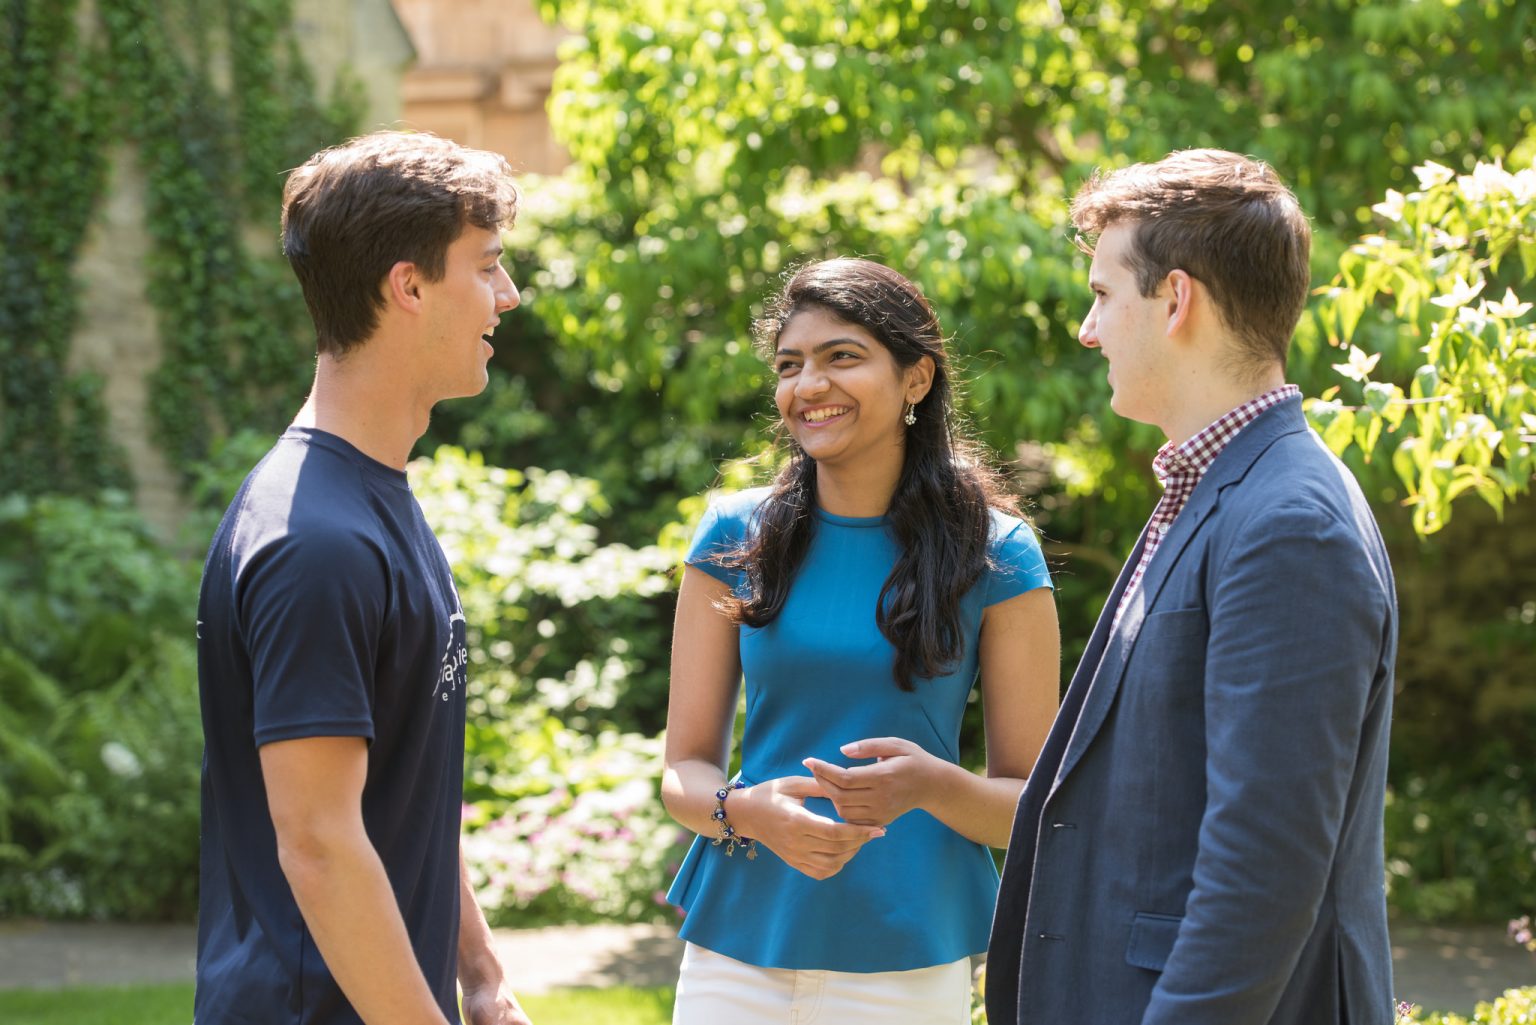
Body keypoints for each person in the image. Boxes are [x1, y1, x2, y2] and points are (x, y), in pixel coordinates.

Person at [985, 149, 1398, 1025]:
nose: (1087, 331)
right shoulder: (1220, 486)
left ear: (1177, 299)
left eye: (1102, 296)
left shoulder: (1291, 522)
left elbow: (1264, 870)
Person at [661, 257, 1061, 1024]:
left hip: (907, 952)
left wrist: (929, 785)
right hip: (737, 949)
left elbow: (1029, 805)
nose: (807, 385)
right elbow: (683, 767)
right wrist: (747, 810)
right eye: (789, 365)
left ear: (917, 378)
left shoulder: (999, 553)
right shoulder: (731, 535)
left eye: (842, 356)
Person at [195, 131, 532, 1025]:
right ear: (409, 285)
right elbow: (319, 842)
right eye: (488, 266)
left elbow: (406, 782)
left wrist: (482, 973)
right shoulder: (317, 539)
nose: (509, 295)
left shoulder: (370, 494)